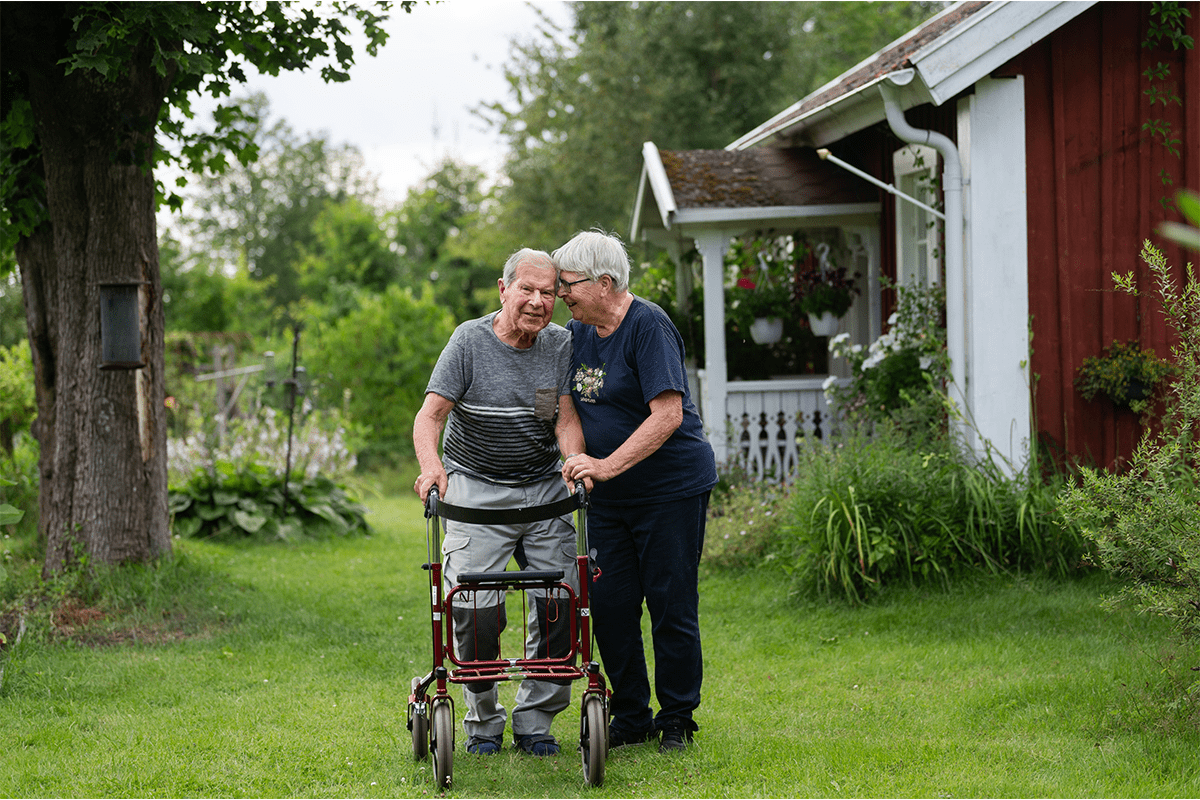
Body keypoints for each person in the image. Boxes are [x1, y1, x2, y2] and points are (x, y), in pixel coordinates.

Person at [413, 248, 586, 757]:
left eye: (548, 293)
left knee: (560, 603)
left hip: (541, 486)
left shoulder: (559, 344)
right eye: (527, 289)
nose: (537, 302)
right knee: (472, 610)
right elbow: (431, 416)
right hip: (476, 487)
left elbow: (564, 417)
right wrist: (431, 467)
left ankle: (536, 721)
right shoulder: (469, 341)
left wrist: (574, 462)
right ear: (503, 288)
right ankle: (482, 720)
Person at [554, 230, 718, 753]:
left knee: (671, 602)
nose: (561, 294)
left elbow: (667, 414)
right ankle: (630, 716)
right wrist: (578, 459)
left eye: (568, 284)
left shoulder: (649, 325)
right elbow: (568, 410)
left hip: (670, 490)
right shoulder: (576, 333)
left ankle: (676, 719)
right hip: (609, 499)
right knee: (611, 605)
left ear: (605, 283)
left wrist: (605, 465)